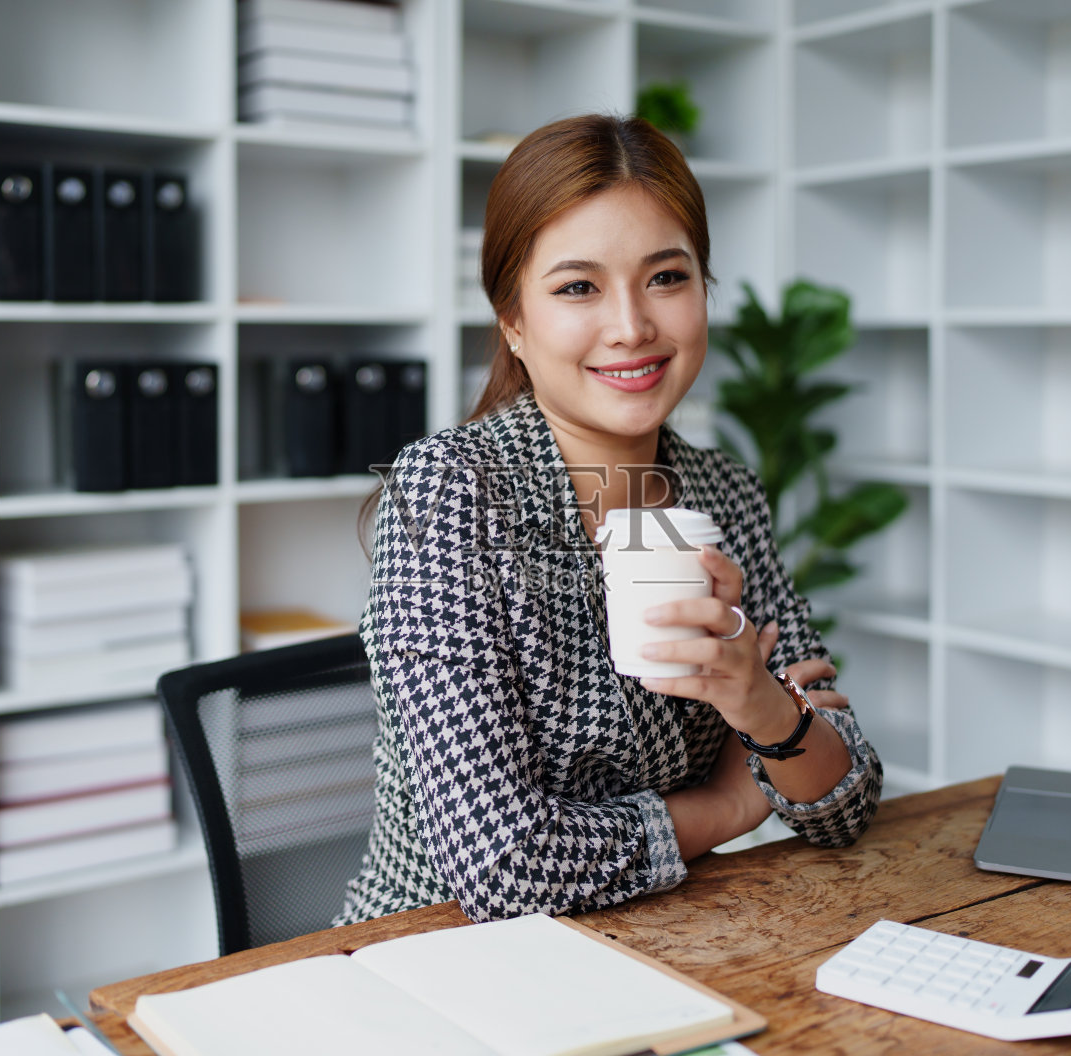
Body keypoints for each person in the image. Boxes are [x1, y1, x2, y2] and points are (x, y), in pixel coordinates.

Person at [337, 113, 881, 925]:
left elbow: (847, 800)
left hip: (667, 936)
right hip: (439, 956)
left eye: (667, 276)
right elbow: (504, 864)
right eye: (578, 287)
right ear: (513, 319)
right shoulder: (451, 493)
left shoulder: (723, 493)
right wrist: (728, 808)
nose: (633, 325)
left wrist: (760, 703)